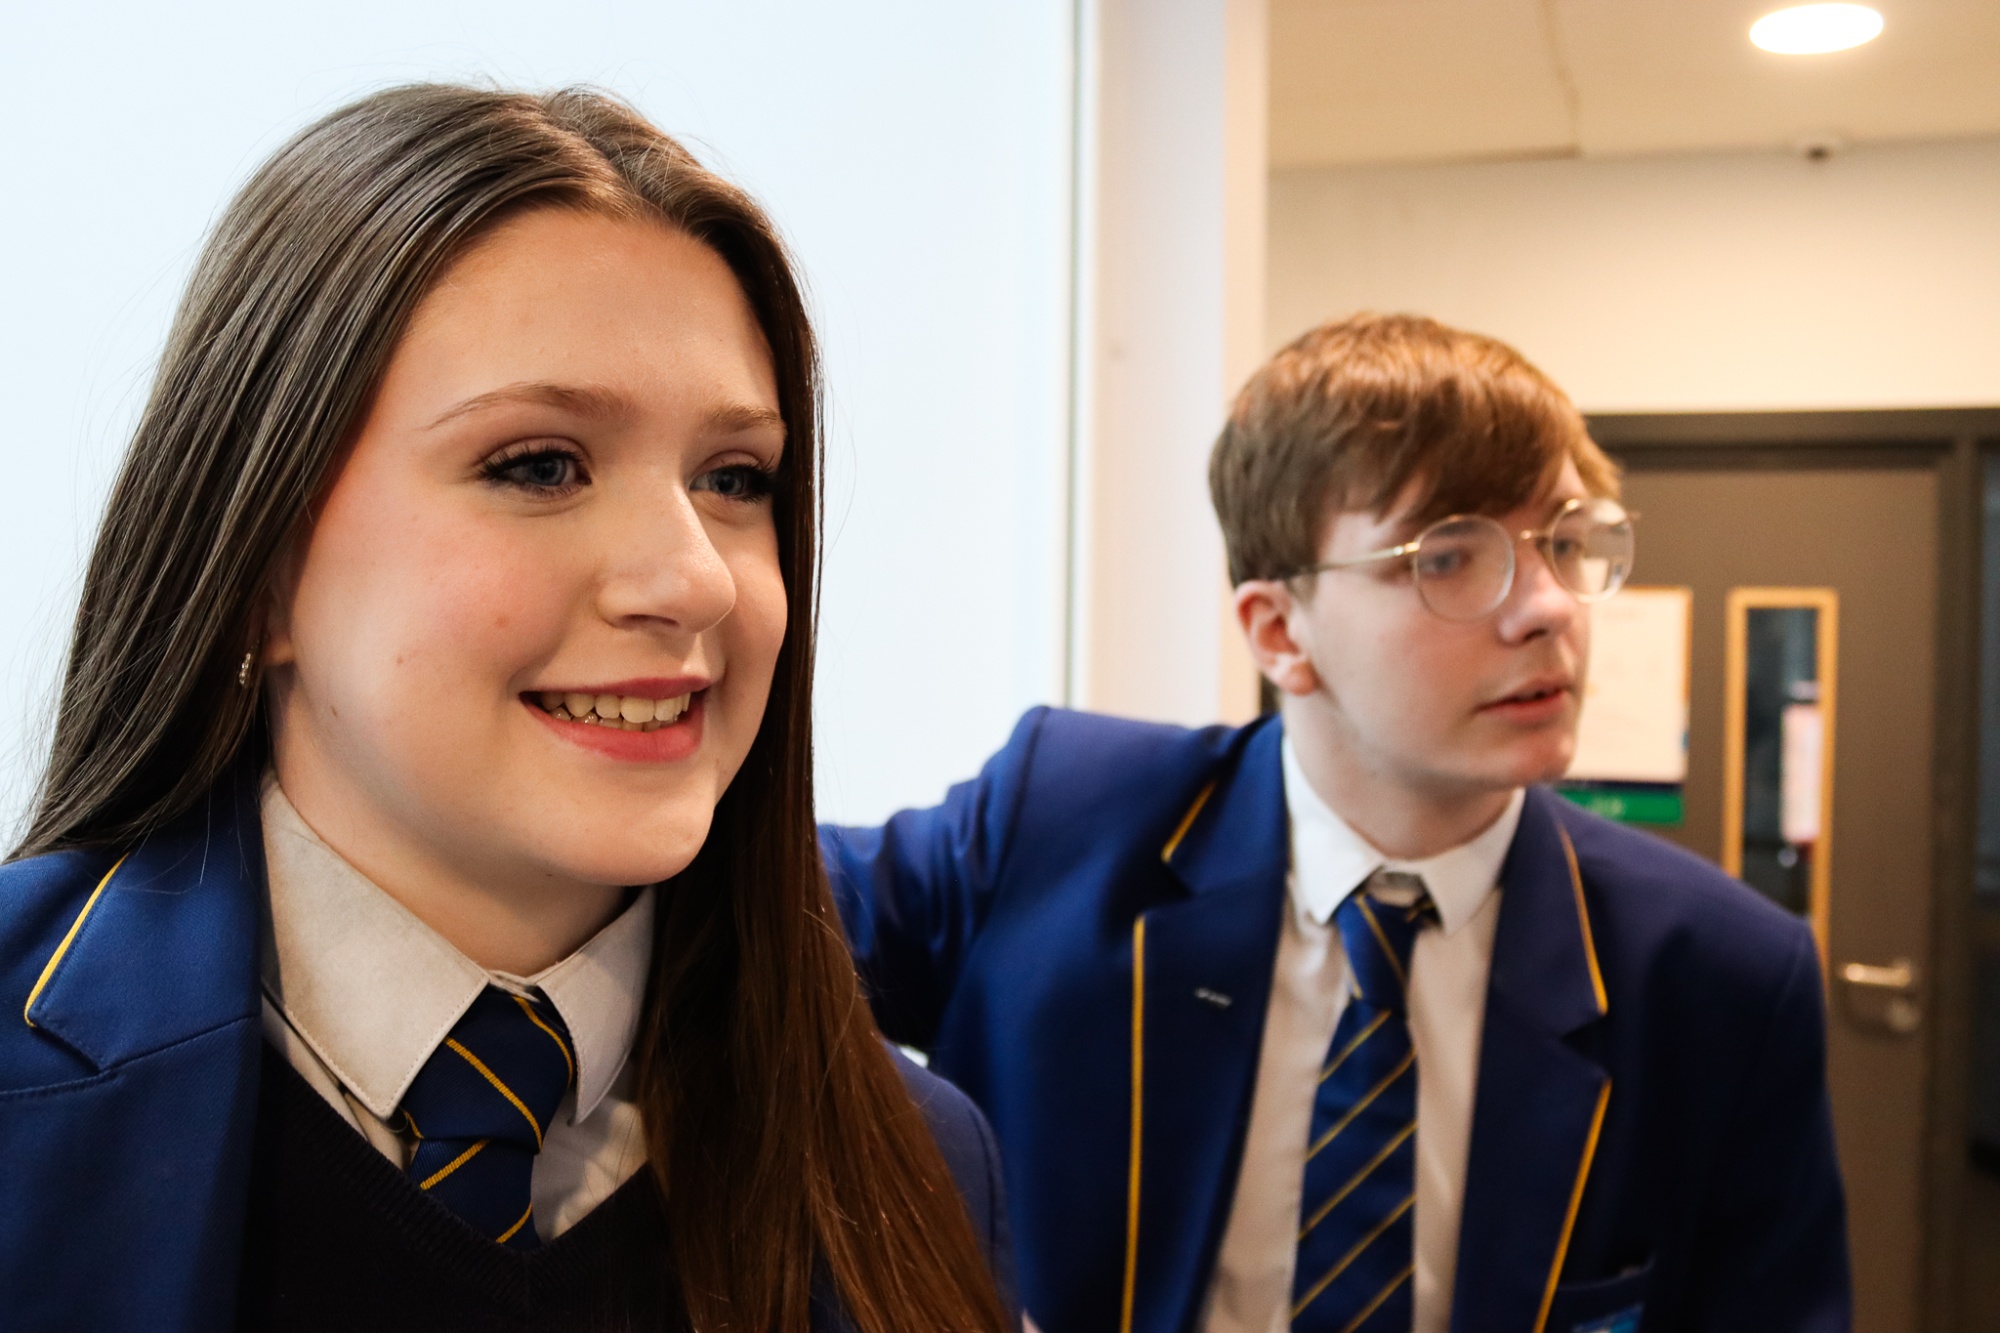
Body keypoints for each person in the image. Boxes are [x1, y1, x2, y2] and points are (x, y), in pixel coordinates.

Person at [0, 85, 1013, 1333]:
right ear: (259, 570)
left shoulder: (918, 1166)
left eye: (733, 477)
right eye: (540, 464)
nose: (695, 577)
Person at [822, 314, 1849, 1333]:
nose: (1547, 607)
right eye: (1450, 556)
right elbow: (762, 922)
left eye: (1566, 543)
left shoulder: (1718, 977)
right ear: (1279, 631)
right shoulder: (1060, 819)